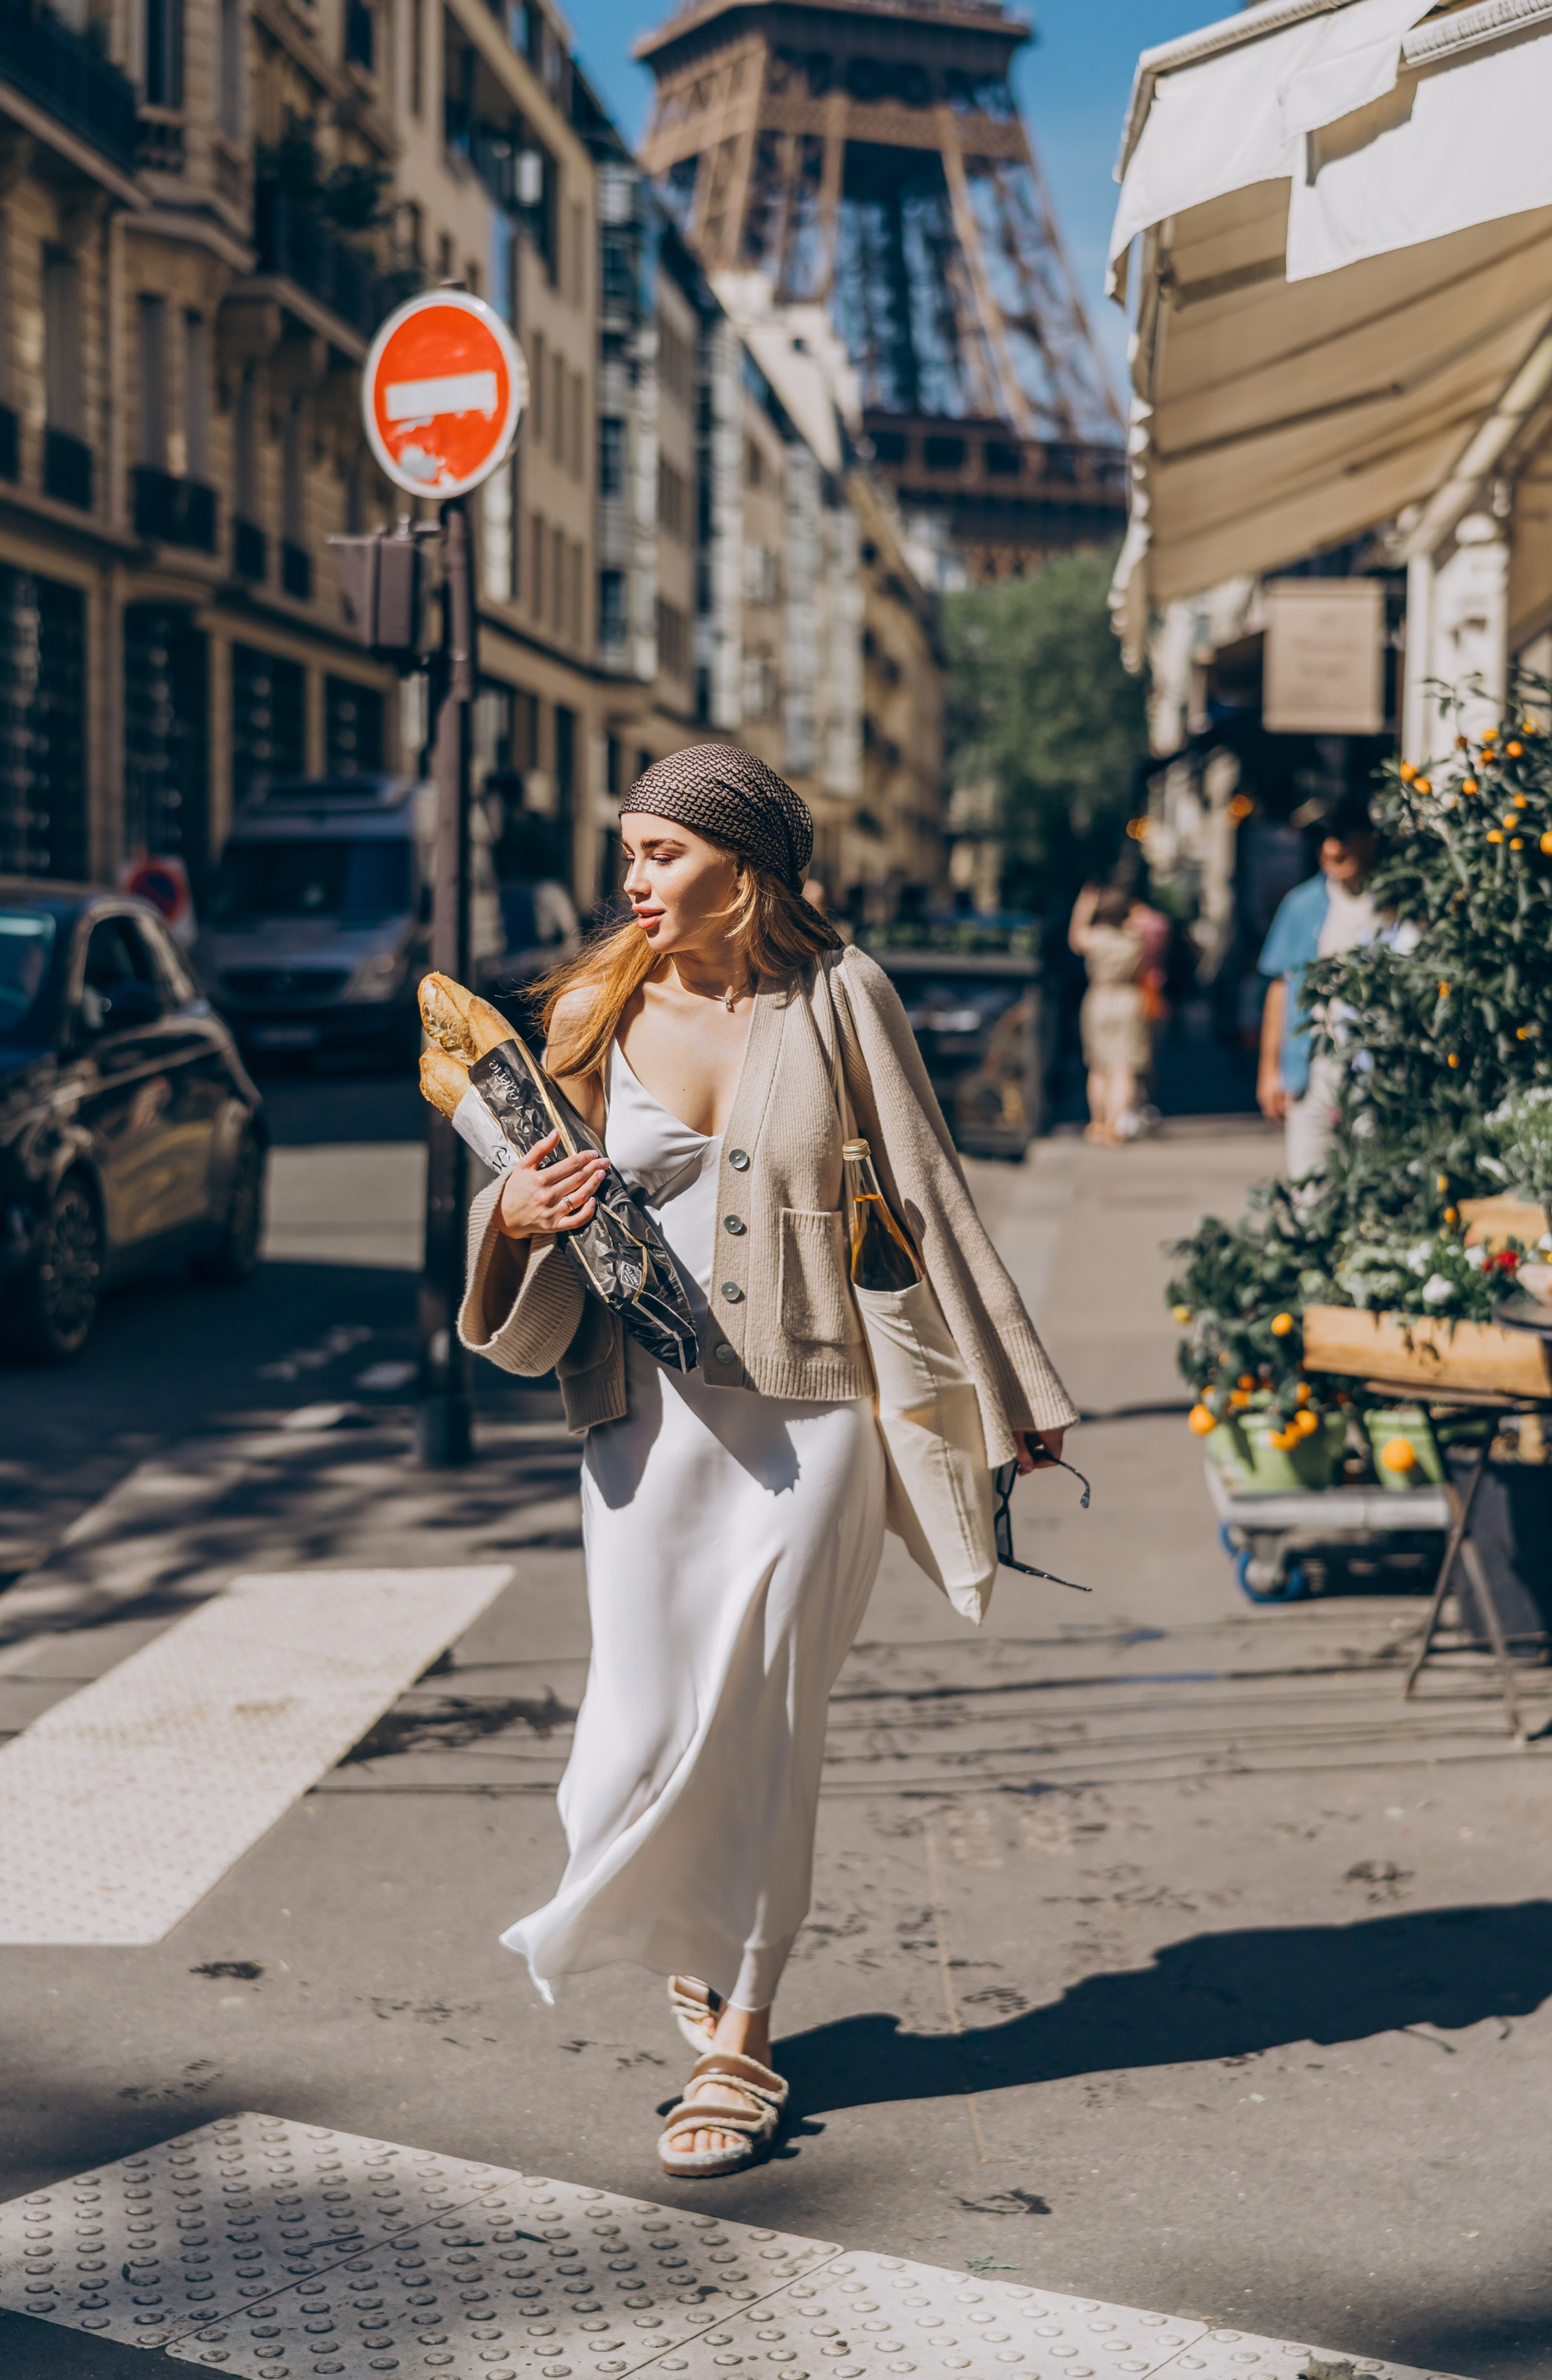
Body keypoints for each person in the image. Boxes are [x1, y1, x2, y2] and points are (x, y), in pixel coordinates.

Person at [457, 743, 1075, 2179]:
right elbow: (509, 1178)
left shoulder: (838, 995)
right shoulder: (593, 1006)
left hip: (817, 1417)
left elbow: (925, 1184)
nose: (632, 879)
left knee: (770, 1727)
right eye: (630, 852)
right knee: (622, 1751)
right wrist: (515, 1217)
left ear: (746, 868)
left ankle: (742, 2030)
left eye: (661, 855)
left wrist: (1013, 1388)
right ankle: (686, 1914)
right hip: (641, 1421)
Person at [1256, 794, 1382, 1181]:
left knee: (1372, 1182)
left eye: (1342, 838)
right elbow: (1281, 986)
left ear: (1370, 840)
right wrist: (1269, 1071)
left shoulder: (1393, 903)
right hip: (1313, 1067)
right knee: (1309, 1185)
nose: (1331, 849)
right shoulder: (1302, 905)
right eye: (1324, 839)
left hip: (1376, 1067)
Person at [1069, 880, 1154, 1142]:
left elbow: (1075, 938)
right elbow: (1153, 922)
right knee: (1123, 1068)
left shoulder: (1096, 938)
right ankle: (1116, 1126)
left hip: (1099, 998)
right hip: (1127, 998)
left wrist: (1085, 906)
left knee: (1098, 1066)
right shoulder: (1136, 939)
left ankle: (1098, 1124)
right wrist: (1131, 907)